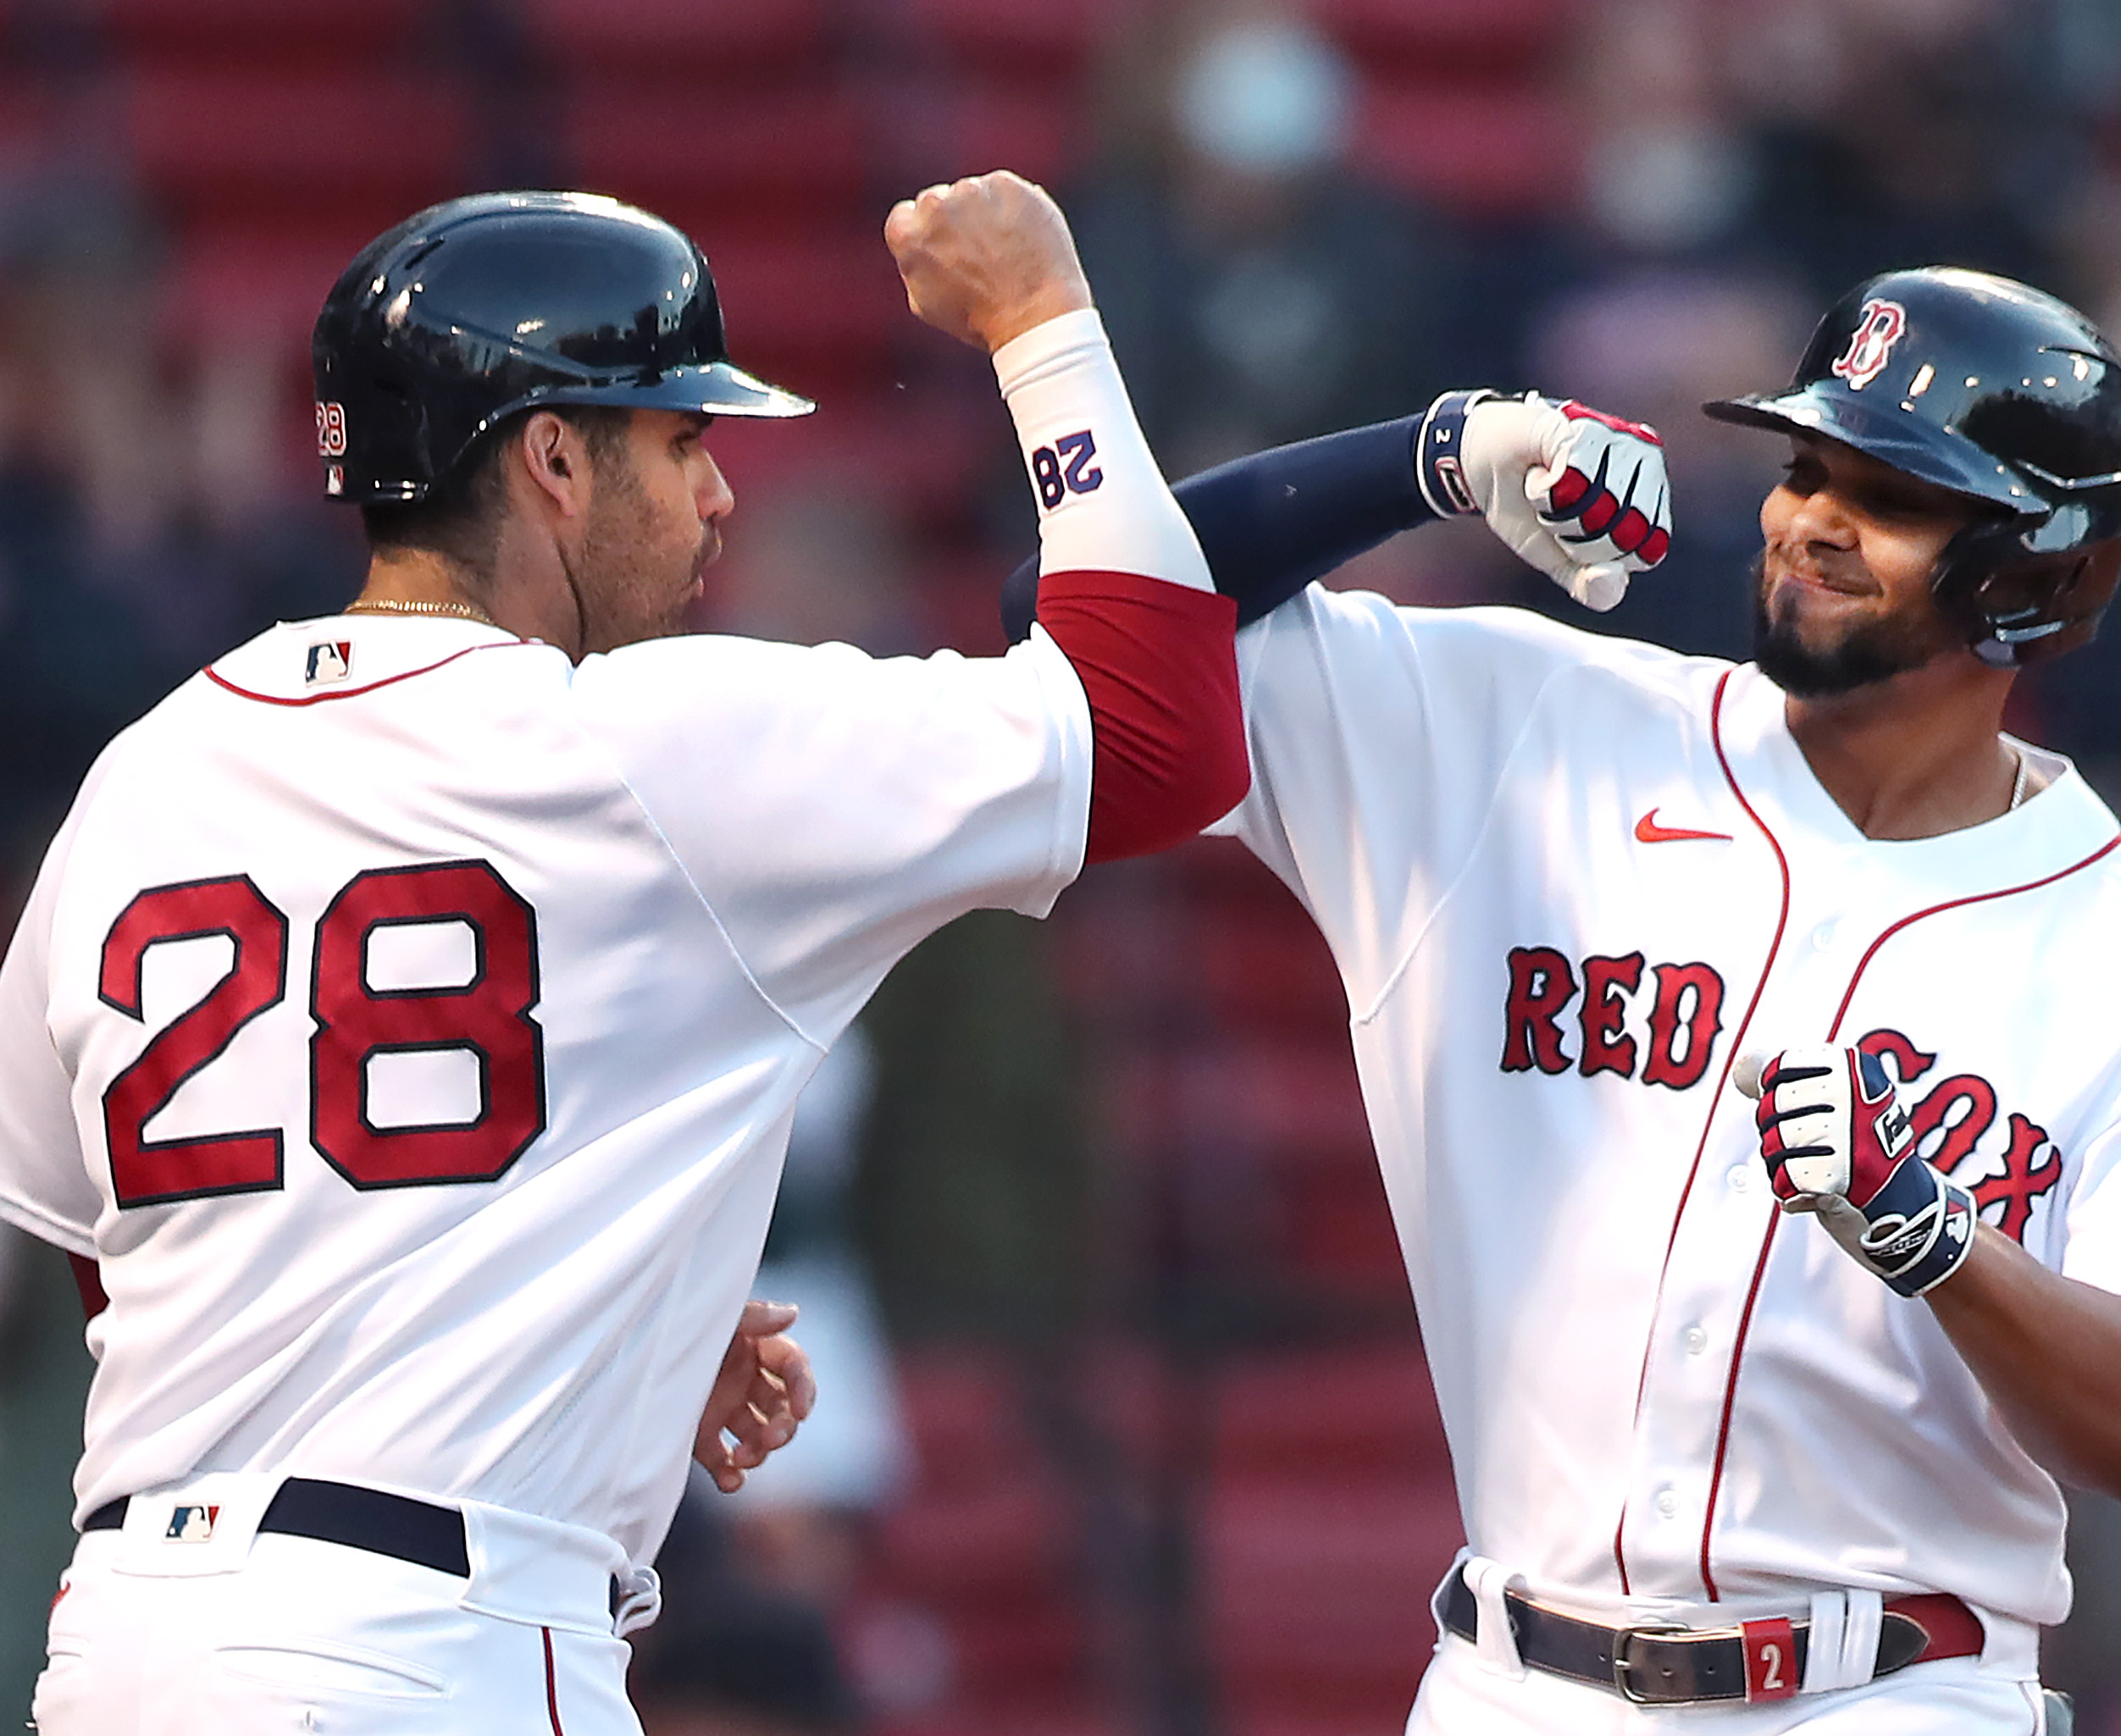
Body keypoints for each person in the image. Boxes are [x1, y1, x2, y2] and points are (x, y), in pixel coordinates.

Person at [1005, 266, 2121, 1731]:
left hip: (1885, 1693)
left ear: (2035, 573)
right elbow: (1073, 616)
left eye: (1887, 493)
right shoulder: (1530, 729)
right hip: (1511, 1679)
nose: (1809, 518)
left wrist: (1942, 1241)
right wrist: (1429, 457)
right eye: (1802, 468)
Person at [0, 173, 1245, 1734]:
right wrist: (1044, 324)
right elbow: (1162, 736)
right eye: (684, 441)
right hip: (425, 1645)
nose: (722, 495)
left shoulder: (149, 768)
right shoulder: (650, 741)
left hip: (126, 1640)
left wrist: (569, 1296)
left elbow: (106, 1246)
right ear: (555, 461)